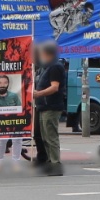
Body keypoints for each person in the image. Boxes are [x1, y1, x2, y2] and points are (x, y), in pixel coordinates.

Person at [34, 42, 67, 176]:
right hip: (43, 106)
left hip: (51, 106)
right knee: (44, 136)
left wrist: (39, 94)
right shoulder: (45, 67)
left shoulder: (55, 67)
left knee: (51, 136)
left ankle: (55, 163)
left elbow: (54, 87)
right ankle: (49, 161)